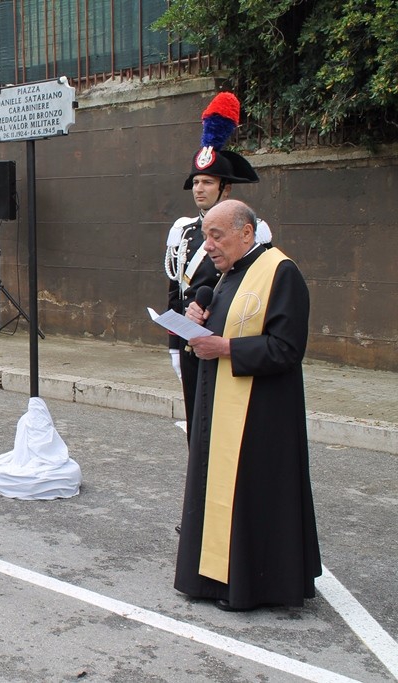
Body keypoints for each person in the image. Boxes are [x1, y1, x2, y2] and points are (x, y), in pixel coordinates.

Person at [174, 199, 321, 611]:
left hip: (261, 415)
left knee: (250, 498)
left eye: (216, 236)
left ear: (246, 233)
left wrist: (223, 346)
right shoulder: (226, 276)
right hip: (220, 406)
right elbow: (224, 330)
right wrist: (198, 319)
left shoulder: (280, 272)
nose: (209, 246)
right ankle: (212, 580)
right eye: (205, 237)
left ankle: (251, 587)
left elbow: (287, 349)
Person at [165, 92, 272, 443]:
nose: (199, 188)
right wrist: (173, 343)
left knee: (225, 426)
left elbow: (256, 286)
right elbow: (176, 290)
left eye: (207, 182)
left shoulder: (251, 231)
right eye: (196, 182)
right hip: (189, 336)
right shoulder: (181, 230)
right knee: (196, 424)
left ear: (225, 189)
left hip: (224, 336)